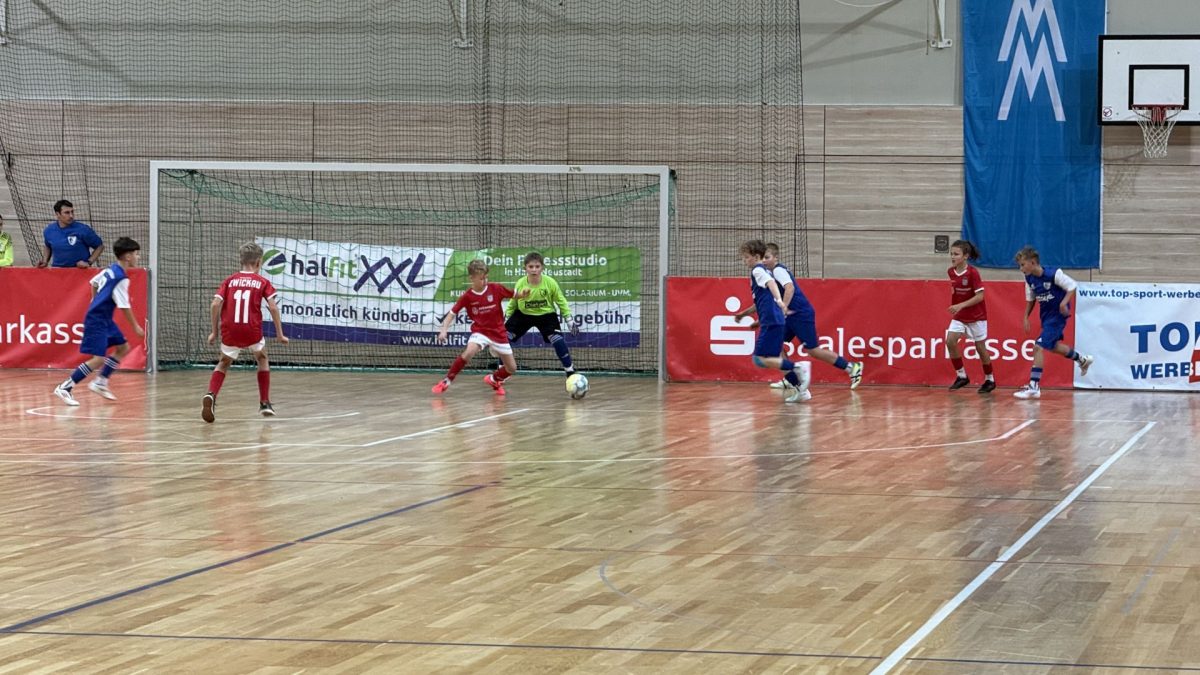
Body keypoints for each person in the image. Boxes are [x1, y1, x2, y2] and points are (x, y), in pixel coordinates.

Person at [750, 242, 864, 393]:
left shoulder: (778, 270)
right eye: (763, 258)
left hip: (799, 314)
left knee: (813, 350)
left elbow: (789, 288)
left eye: (767, 257)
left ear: (776, 258)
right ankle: (792, 379)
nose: (764, 261)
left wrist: (783, 309)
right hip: (789, 315)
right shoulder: (768, 275)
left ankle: (851, 367)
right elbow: (766, 302)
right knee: (776, 345)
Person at [202, 242, 289, 422]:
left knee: (223, 363)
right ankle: (264, 402)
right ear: (258, 262)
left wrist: (214, 332)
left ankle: (211, 394)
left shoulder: (230, 281)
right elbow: (273, 307)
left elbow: (215, 304)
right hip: (251, 329)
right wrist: (280, 334)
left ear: (240, 260)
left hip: (230, 329)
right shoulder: (262, 282)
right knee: (262, 358)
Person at [52, 237, 144, 406]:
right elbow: (125, 306)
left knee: (123, 347)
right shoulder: (121, 278)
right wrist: (136, 326)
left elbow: (93, 282)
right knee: (98, 358)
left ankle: (101, 382)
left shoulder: (111, 269)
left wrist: (95, 301)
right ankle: (65, 387)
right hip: (97, 320)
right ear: (128, 256)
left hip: (104, 318)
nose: (138, 257)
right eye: (136, 254)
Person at [433, 259, 529, 396]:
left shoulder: (496, 288)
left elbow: (514, 294)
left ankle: (494, 379)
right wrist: (444, 330)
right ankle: (446, 380)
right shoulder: (467, 296)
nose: (485, 281)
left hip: (499, 333)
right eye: (481, 278)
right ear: (471, 278)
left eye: (486, 277)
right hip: (481, 332)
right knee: (469, 352)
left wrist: (523, 294)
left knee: (512, 368)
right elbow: (452, 313)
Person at [733, 239, 810, 403]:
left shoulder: (758, 271)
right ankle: (801, 389)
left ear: (756, 257)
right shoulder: (762, 271)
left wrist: (780, 301)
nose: (744, 260)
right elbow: (761, 301)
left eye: (746, 257)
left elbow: (772, 283)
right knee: (777, 357)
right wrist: (745, 314)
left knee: (760, 359)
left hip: (772, 320)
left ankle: (799, 367)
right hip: (772, 320)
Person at [1013, 246, 1094, 399]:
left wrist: (1063, 303)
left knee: (1038, 347)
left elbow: (1072, 286)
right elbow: (1031, 299)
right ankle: (1082, 360)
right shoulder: (1029, 279)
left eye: (1023, 265)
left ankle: (1034, 387)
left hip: (1057, 317)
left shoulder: (1053, 274)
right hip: (1046, 317)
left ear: (1033, 262)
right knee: (1053, 347)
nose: (1021, 268)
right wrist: (1025, 317)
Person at [505, 251, 578, 377]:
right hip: (523, 315)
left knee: (558, 340)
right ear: (525, 268)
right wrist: (505, 319)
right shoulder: (520, 283)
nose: (534, 269)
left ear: (542, 268)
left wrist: (569, 319)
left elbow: (561, 301)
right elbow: (513, 303)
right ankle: (501, 373)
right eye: (531, 267)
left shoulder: (550, 283)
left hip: (546, 316)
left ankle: (570, 371)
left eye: (537, 266)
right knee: (504, 338)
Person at [945, 240, 995, 393]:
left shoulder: (973, 273)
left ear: (965, 256)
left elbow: (980, 296)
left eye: (956, 254)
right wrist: (957, 306)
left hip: (977, 316)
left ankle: (990, 379)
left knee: (980, 348)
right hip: (960, 315)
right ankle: (962, 376)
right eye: (951, 254)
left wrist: (960, 305)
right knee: (950, 341)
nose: (953, 257)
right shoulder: (951, 272)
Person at [39, 200, 102, 269]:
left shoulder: (83, 229)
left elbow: (100, 246)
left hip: (79, 271)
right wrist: (45, 261)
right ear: (57, 214)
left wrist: (88, 262)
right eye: (67, 213)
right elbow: (47, 246)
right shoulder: (49, 230)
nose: (71, 216)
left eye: (72, 212)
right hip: (58, 271)